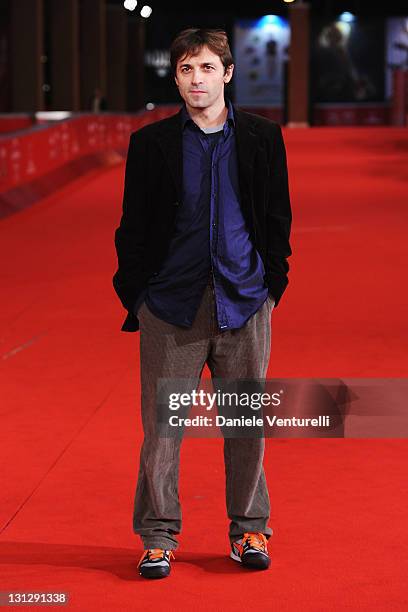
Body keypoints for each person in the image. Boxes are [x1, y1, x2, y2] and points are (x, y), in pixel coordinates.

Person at [112, 27, 292, 579]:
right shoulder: (152, 145)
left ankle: (249, 530)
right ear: (176, 76)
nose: (197, 79)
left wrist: (272, 284)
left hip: (244, 300)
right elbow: (133, 228)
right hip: (171, 307)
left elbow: (278, 218)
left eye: (208, 68)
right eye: (187, 69)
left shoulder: (263, 138)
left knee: (245, 426)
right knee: (163, 430)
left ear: (228, 74)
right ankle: (158, 536)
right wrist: (138, 294)